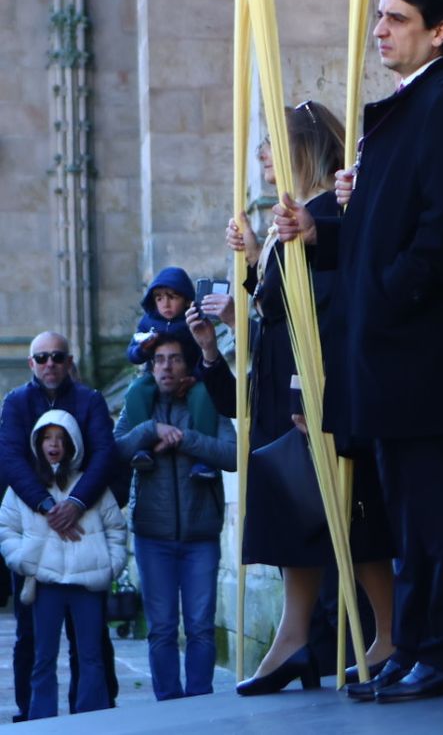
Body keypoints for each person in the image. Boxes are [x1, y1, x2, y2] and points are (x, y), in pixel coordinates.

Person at [273, 0, 443, 702]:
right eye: (379, 17)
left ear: (438, 30)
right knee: (410, 514)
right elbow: (384, 231)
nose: (380, 30)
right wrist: (324, 230)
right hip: (391, 354)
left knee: (437, 514)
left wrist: (388, 296)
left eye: (396, 19)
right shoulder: (402, 110)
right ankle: (418, 643)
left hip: (424, 353)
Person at [201, 101, 396, 695]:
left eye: (273, 145)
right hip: (285, 377)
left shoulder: (325, 215)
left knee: (347, 508)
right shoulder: (298, 217)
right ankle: (293, 637)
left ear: (303, 149)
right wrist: (259, 258)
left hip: (310, 382)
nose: (262, 155)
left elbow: (325, 308)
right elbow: (281, 304)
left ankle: (388, 629)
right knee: (296, 513)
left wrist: (315, 392)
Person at [0, 332, 120, 718]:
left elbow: (104, 453)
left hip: (84, 538)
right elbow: (11, 457)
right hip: (38, 537)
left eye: (57, 356)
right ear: (31, 364)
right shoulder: (17, 402)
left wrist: (78, 501)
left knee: (90, 638)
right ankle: (31, 711)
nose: (49, 363)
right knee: (32, 638)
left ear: (69, 362)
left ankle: (95, 711)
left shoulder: (91, 401)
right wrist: (47, 504)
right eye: (41, 358)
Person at [113, 331, 238, 700]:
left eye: (175, 359)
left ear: (188, 365)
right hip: (153, 535)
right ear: (151, 368)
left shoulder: (205, 402)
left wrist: (185, 438)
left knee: (200, 627)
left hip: (200, 534)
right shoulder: (139, 405)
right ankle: (168, 704)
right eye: (160, 360)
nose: (167, 366)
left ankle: (200, 705)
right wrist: (151, 430)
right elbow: (116, 448)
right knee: (162, 629)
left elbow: (231, 455)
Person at [124, 267, 199, 366]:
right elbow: (131, 354)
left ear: (187, 300)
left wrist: (195, 377)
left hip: (188, 375)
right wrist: (142, 350)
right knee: (137, 383)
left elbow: (203, 356)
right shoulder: (148, 321)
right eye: (159, 299)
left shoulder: (193, 322)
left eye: (172, 298)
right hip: (156, 375)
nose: (165, 305)